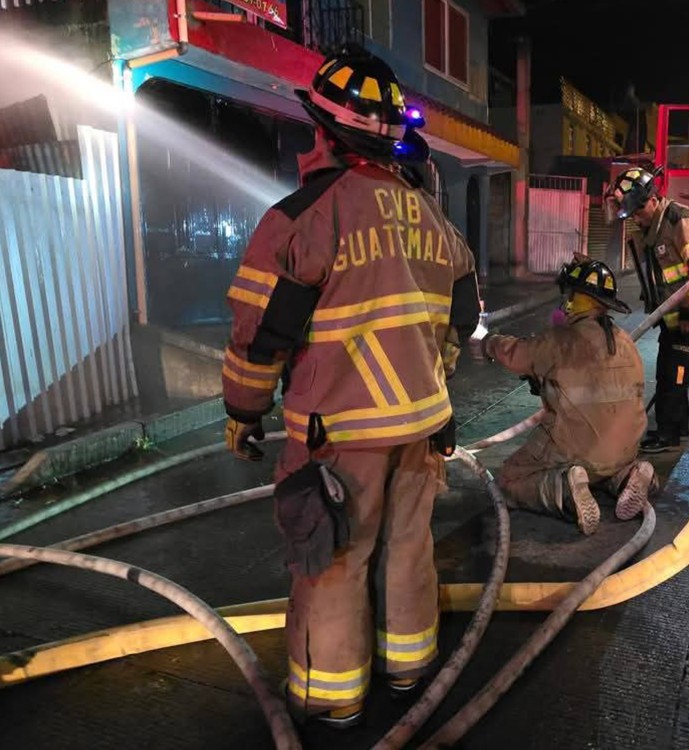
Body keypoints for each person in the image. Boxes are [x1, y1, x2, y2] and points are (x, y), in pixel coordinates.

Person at [221, 45, 479, 729]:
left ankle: (331, 697)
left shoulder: (304, 217)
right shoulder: (435, 220)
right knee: (409, 549)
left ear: (322, 129)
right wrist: (433, 393)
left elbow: (261, 335)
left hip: (339, 434)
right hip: (423, 426)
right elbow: (463, 319)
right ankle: (410, 668)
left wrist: (243, 411)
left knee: (334, 562)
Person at [472, 258, 656, 534]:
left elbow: (517, 354)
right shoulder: (624, 340)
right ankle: (629, 475)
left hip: (575, 447)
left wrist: (487, 342)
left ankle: (564, 490)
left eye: (568, 295)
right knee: (602, 465)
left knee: (510, 479)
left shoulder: (561, 340)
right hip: (625, 447)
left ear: (575, 299)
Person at [608, 167, 689, 453]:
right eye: (632, 214)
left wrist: (688, 314)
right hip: (671, 314)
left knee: (674, 375)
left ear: (652, 199)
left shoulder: (681, 220)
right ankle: (677, 429)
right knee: (668, 371)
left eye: (638, 211)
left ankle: (668, 435)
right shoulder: (652, 227)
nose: (636, 218)